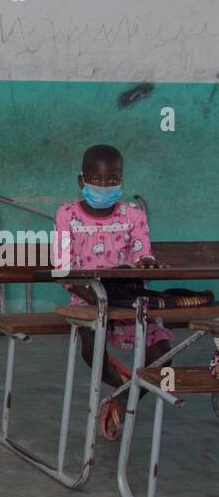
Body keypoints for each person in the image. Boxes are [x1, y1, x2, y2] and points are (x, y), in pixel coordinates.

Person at [56, 144, 168, 439]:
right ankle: (131, 386)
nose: (104, 186)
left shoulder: (134, 215)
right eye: (96, 179)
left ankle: (123, 398)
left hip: (129, 298)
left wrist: (144, 264)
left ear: (122, 180)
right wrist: (97, 296)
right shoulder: (67, 215)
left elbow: (143, 255)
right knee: (92, 350)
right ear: (82, 181)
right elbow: (64, 267)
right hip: (88, 296)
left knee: (162, 354)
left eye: (112, 179)